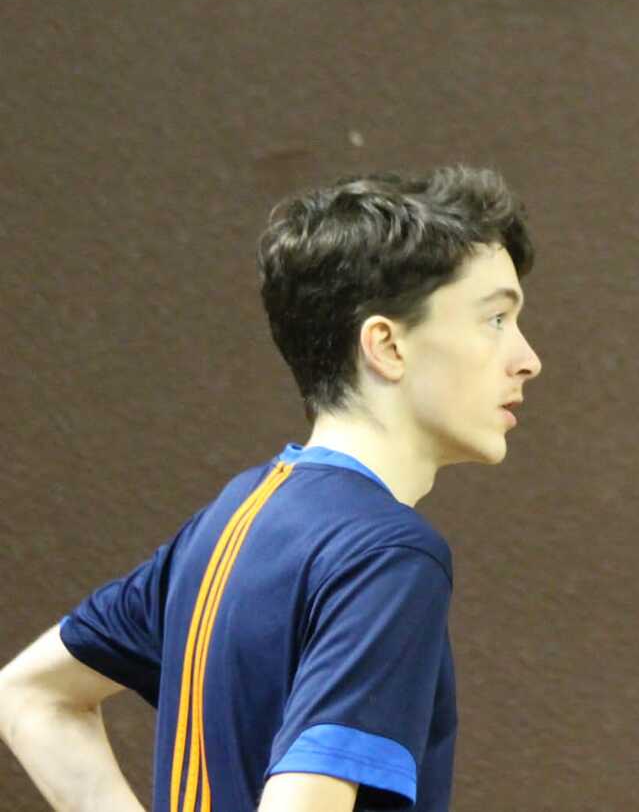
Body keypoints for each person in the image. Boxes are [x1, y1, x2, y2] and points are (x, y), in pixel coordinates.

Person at [0, 164, 541, 812]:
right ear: (387, 346)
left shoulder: (229, 520)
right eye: (495, 319)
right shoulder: (388, 556)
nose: (527, 359)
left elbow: (30, 696)